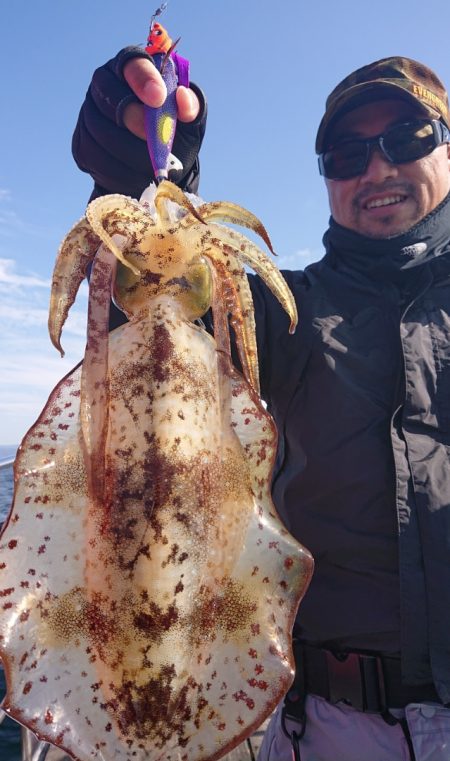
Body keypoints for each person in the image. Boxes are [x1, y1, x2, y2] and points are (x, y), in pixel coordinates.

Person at [74, 51, 450, 761]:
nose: (376, 170)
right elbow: (156, 316)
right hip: (337, 727)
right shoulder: (285, 311)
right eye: (345, 153)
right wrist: (133, 179)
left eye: (407, 140)